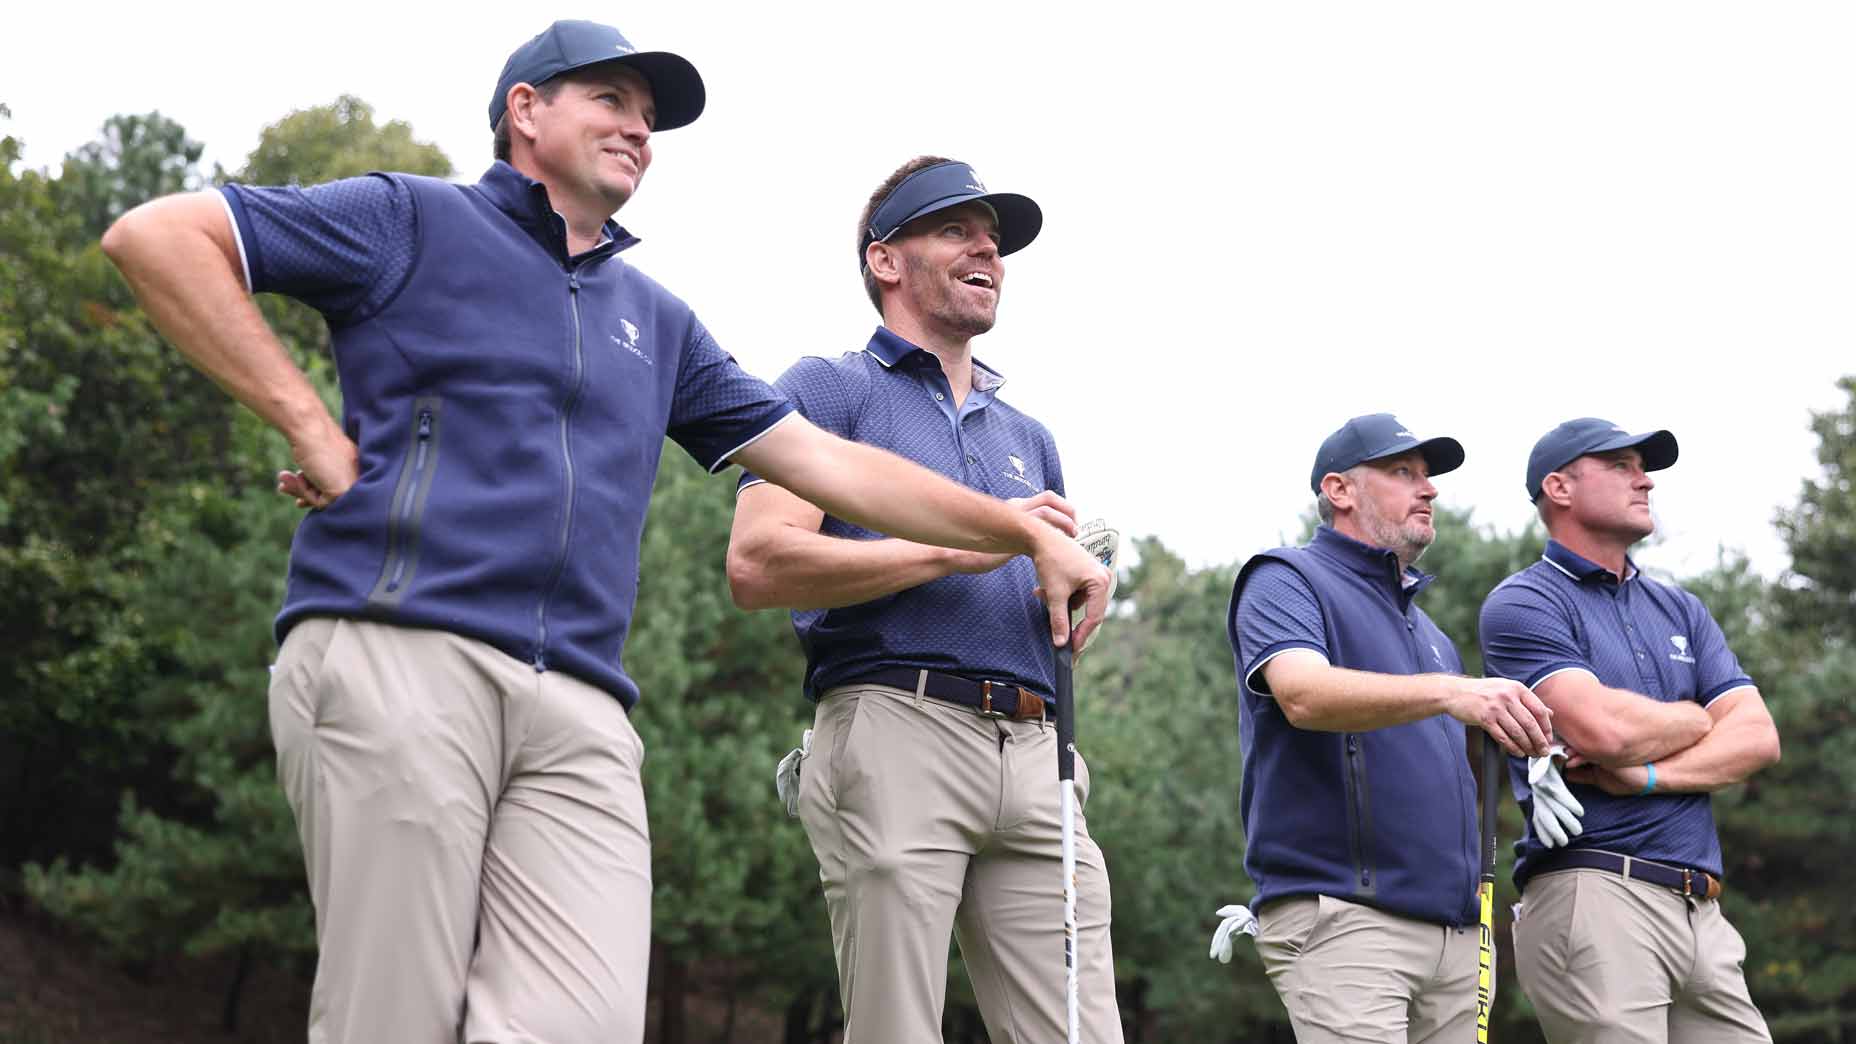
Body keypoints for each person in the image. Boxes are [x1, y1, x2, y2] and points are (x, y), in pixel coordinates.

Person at [99, 23, 1109, 1044]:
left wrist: (1022, 535)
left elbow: (830, 465)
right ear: (525, 110)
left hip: (581, 701)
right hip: (400, 641)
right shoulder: (412, 218)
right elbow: (160, 237)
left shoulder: (658, 321)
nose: (638, 129)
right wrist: (308, 424)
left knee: (582, 1022)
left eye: (648, 116)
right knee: (394, 1018)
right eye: (611, 101)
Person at [725, 156, 1124, 1044]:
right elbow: (758, 562)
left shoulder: (1030, 437)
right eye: (955, 230)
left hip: (1038, 750)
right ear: (885, 260)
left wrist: (1076, 591)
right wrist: (959, 549)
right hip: (896, 727)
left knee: (1082, 1032)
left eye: (994, 239)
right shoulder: (830, 387)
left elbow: (1030, 596)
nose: (988, 251)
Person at [1213, 413, 1553, 1043]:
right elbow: (1302, 693)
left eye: (1427, 476)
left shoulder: (1432, 636)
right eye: (1402, 472)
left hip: (1456, 939)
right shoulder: (1284, 578)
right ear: (1339, 489)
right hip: (1349, 924)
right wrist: (1454, 691)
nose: (1429, 489)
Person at [1478, 418, 1781, 1044]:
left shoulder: (1680, 608)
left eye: (1643, 468)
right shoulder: (1524, 602)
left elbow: (1757, 737)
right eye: (1620, 465)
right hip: (1595, 892)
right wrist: (1698, 716)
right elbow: (1603, 731)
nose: (1644, 481)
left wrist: (1645, 776)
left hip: (1702, 910)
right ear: (1559, 488)